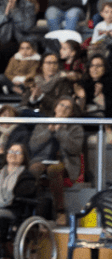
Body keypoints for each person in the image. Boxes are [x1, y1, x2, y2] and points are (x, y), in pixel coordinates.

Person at [28, 96, 83, 226]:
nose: (63, 109)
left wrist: (60, 131)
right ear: (55, 107)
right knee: (34, 169)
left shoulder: (75, 127)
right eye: (61, 105)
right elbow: (33, 146)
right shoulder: (43, 124)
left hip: (65, 164)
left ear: (71, 112)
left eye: (67, 107)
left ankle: (60, 211)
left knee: (54, 170)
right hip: (41, 161)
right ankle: (35, 210)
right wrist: (49, 131)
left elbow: (75, 149)